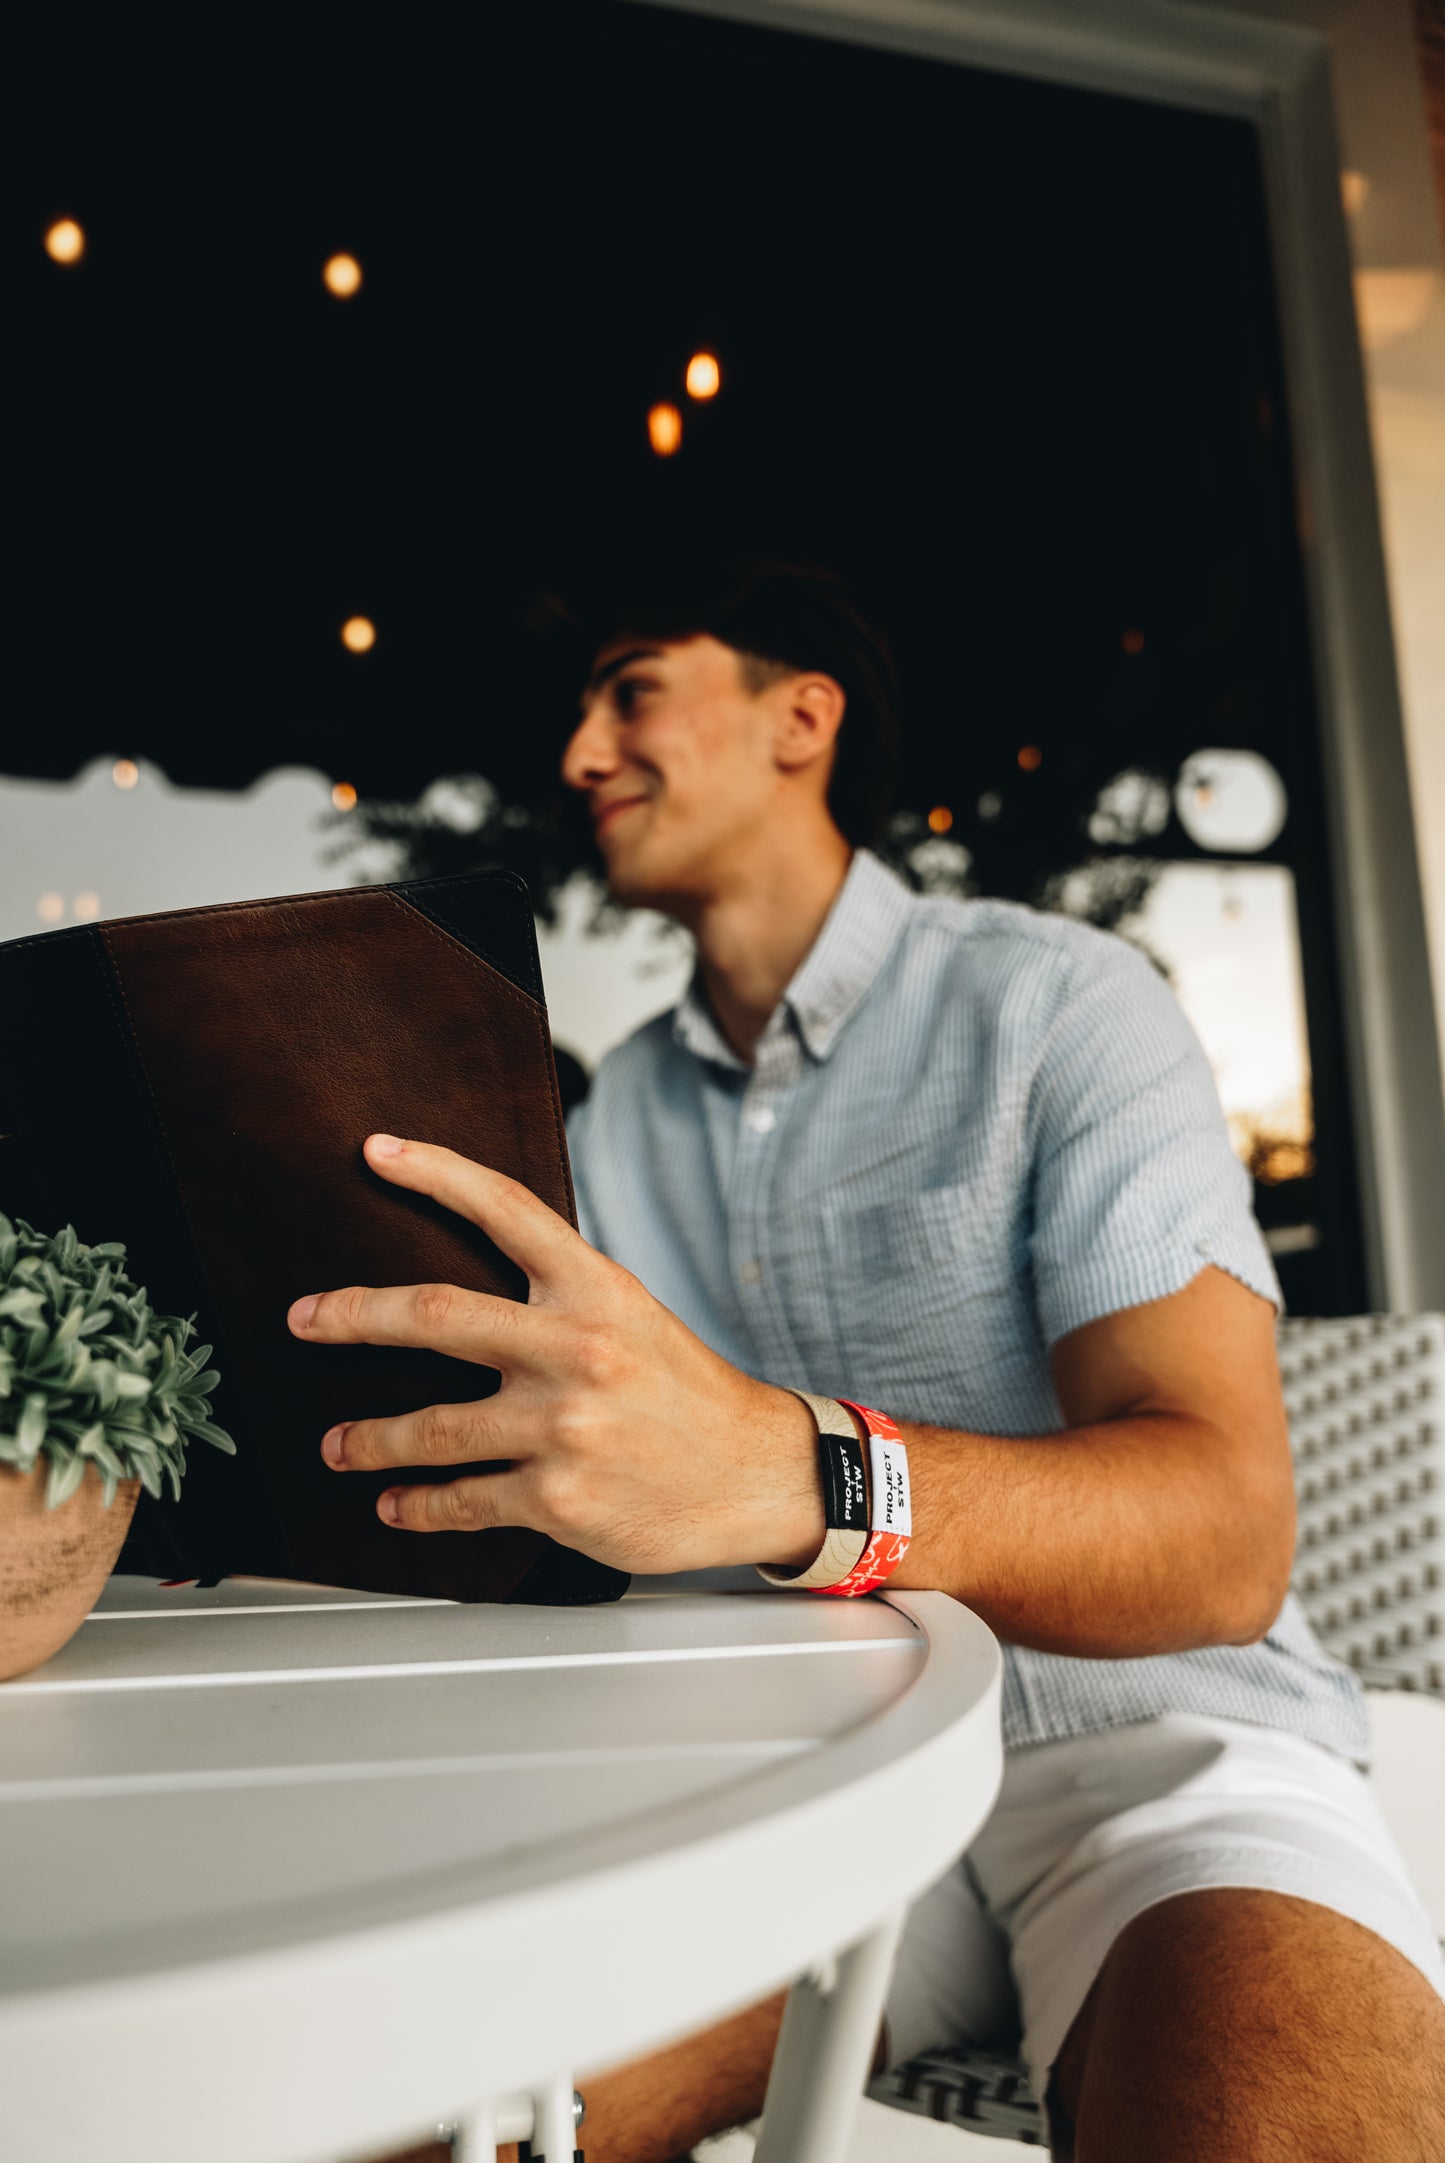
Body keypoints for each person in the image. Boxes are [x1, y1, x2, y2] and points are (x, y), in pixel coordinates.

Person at [295, 562, 1445, 2161]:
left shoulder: (1060, 1005)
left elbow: (1223, 1535)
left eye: (630, 689)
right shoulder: (609, 1121)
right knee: (420, 2128)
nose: (578, 751)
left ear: (800, 718)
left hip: (1153, 1752)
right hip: (800, 1779)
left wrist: (785, 1468)